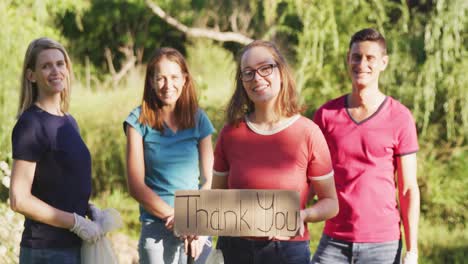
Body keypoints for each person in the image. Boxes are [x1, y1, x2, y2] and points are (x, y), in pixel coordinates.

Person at [211, 40, 339, 264]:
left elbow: (331, 203)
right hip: (234, 250)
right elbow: (216, 199)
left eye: (265, 68)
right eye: (248, 73)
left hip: (287, 251)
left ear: (281, 72)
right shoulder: (230, 133)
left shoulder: (308, 132)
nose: (257, 78)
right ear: (241, 82)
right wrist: (193, 221)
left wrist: (303, 215)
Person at [311, 28, 420, 264]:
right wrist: (282, 217)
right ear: (348, 60)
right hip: (334, 241)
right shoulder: (326, 115)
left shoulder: (400, 117)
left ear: (383, 63)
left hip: (383, 245)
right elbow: (309, 177)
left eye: (370, 58)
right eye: (356, 57)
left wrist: (412, 251)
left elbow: (408, 189)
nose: (362, 64)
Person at [9, 37, 103, 264]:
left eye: (60, 64)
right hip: (46, 250)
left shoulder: (68, 121)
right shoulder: (30, 124)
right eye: (46, 65)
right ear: (31, 75)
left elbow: (61, 183)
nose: (56, 70)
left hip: (72, 248)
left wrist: (87, 209)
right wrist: (75, 222)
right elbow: (19, 199)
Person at [124, 47, 215, 264]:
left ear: (184, 79)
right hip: (157, 229)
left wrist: (193, 221)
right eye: (161, 78)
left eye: (174, 77)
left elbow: (210, 179)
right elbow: (136, 186)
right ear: (151, 81)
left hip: (197, 226)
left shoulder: (199, 119)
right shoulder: (137, 121)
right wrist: (174, 217)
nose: (168, 85)